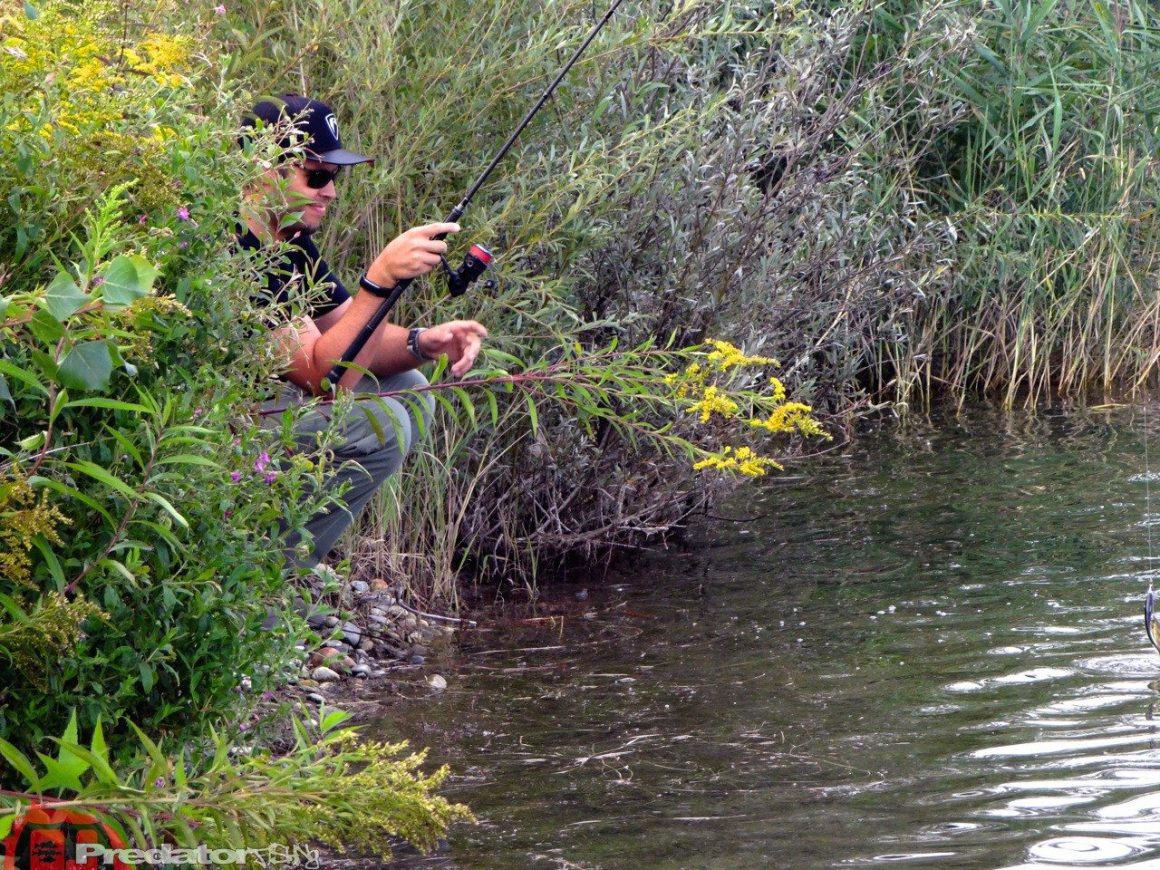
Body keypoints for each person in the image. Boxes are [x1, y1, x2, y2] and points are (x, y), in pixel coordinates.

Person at [237, 94, 488, 570]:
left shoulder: (289, 240)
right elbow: (325, 378)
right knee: (385, 424)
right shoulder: (234, 248)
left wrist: (422, 342)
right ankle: (266, 580)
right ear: (260, 171)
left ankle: (275, 555)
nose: (330, 192)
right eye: (316, 176)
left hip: (262, 403)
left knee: (411, 388)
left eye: (335, 177)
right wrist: (381, 279)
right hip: (218, 422)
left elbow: (348, 333)